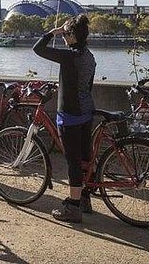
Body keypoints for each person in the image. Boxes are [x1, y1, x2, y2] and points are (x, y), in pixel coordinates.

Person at [33, 14, 96, 223]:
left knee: (73, 162)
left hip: (70, 114)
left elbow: (38, 49)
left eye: (65, 34)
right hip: (87, 112)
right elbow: (84, 85)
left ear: (70, 35)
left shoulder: (70, 56)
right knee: (85, 157)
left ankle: (74, 207)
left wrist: (53, 31)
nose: (62, 37)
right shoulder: (88, 56)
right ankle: (85, 198)